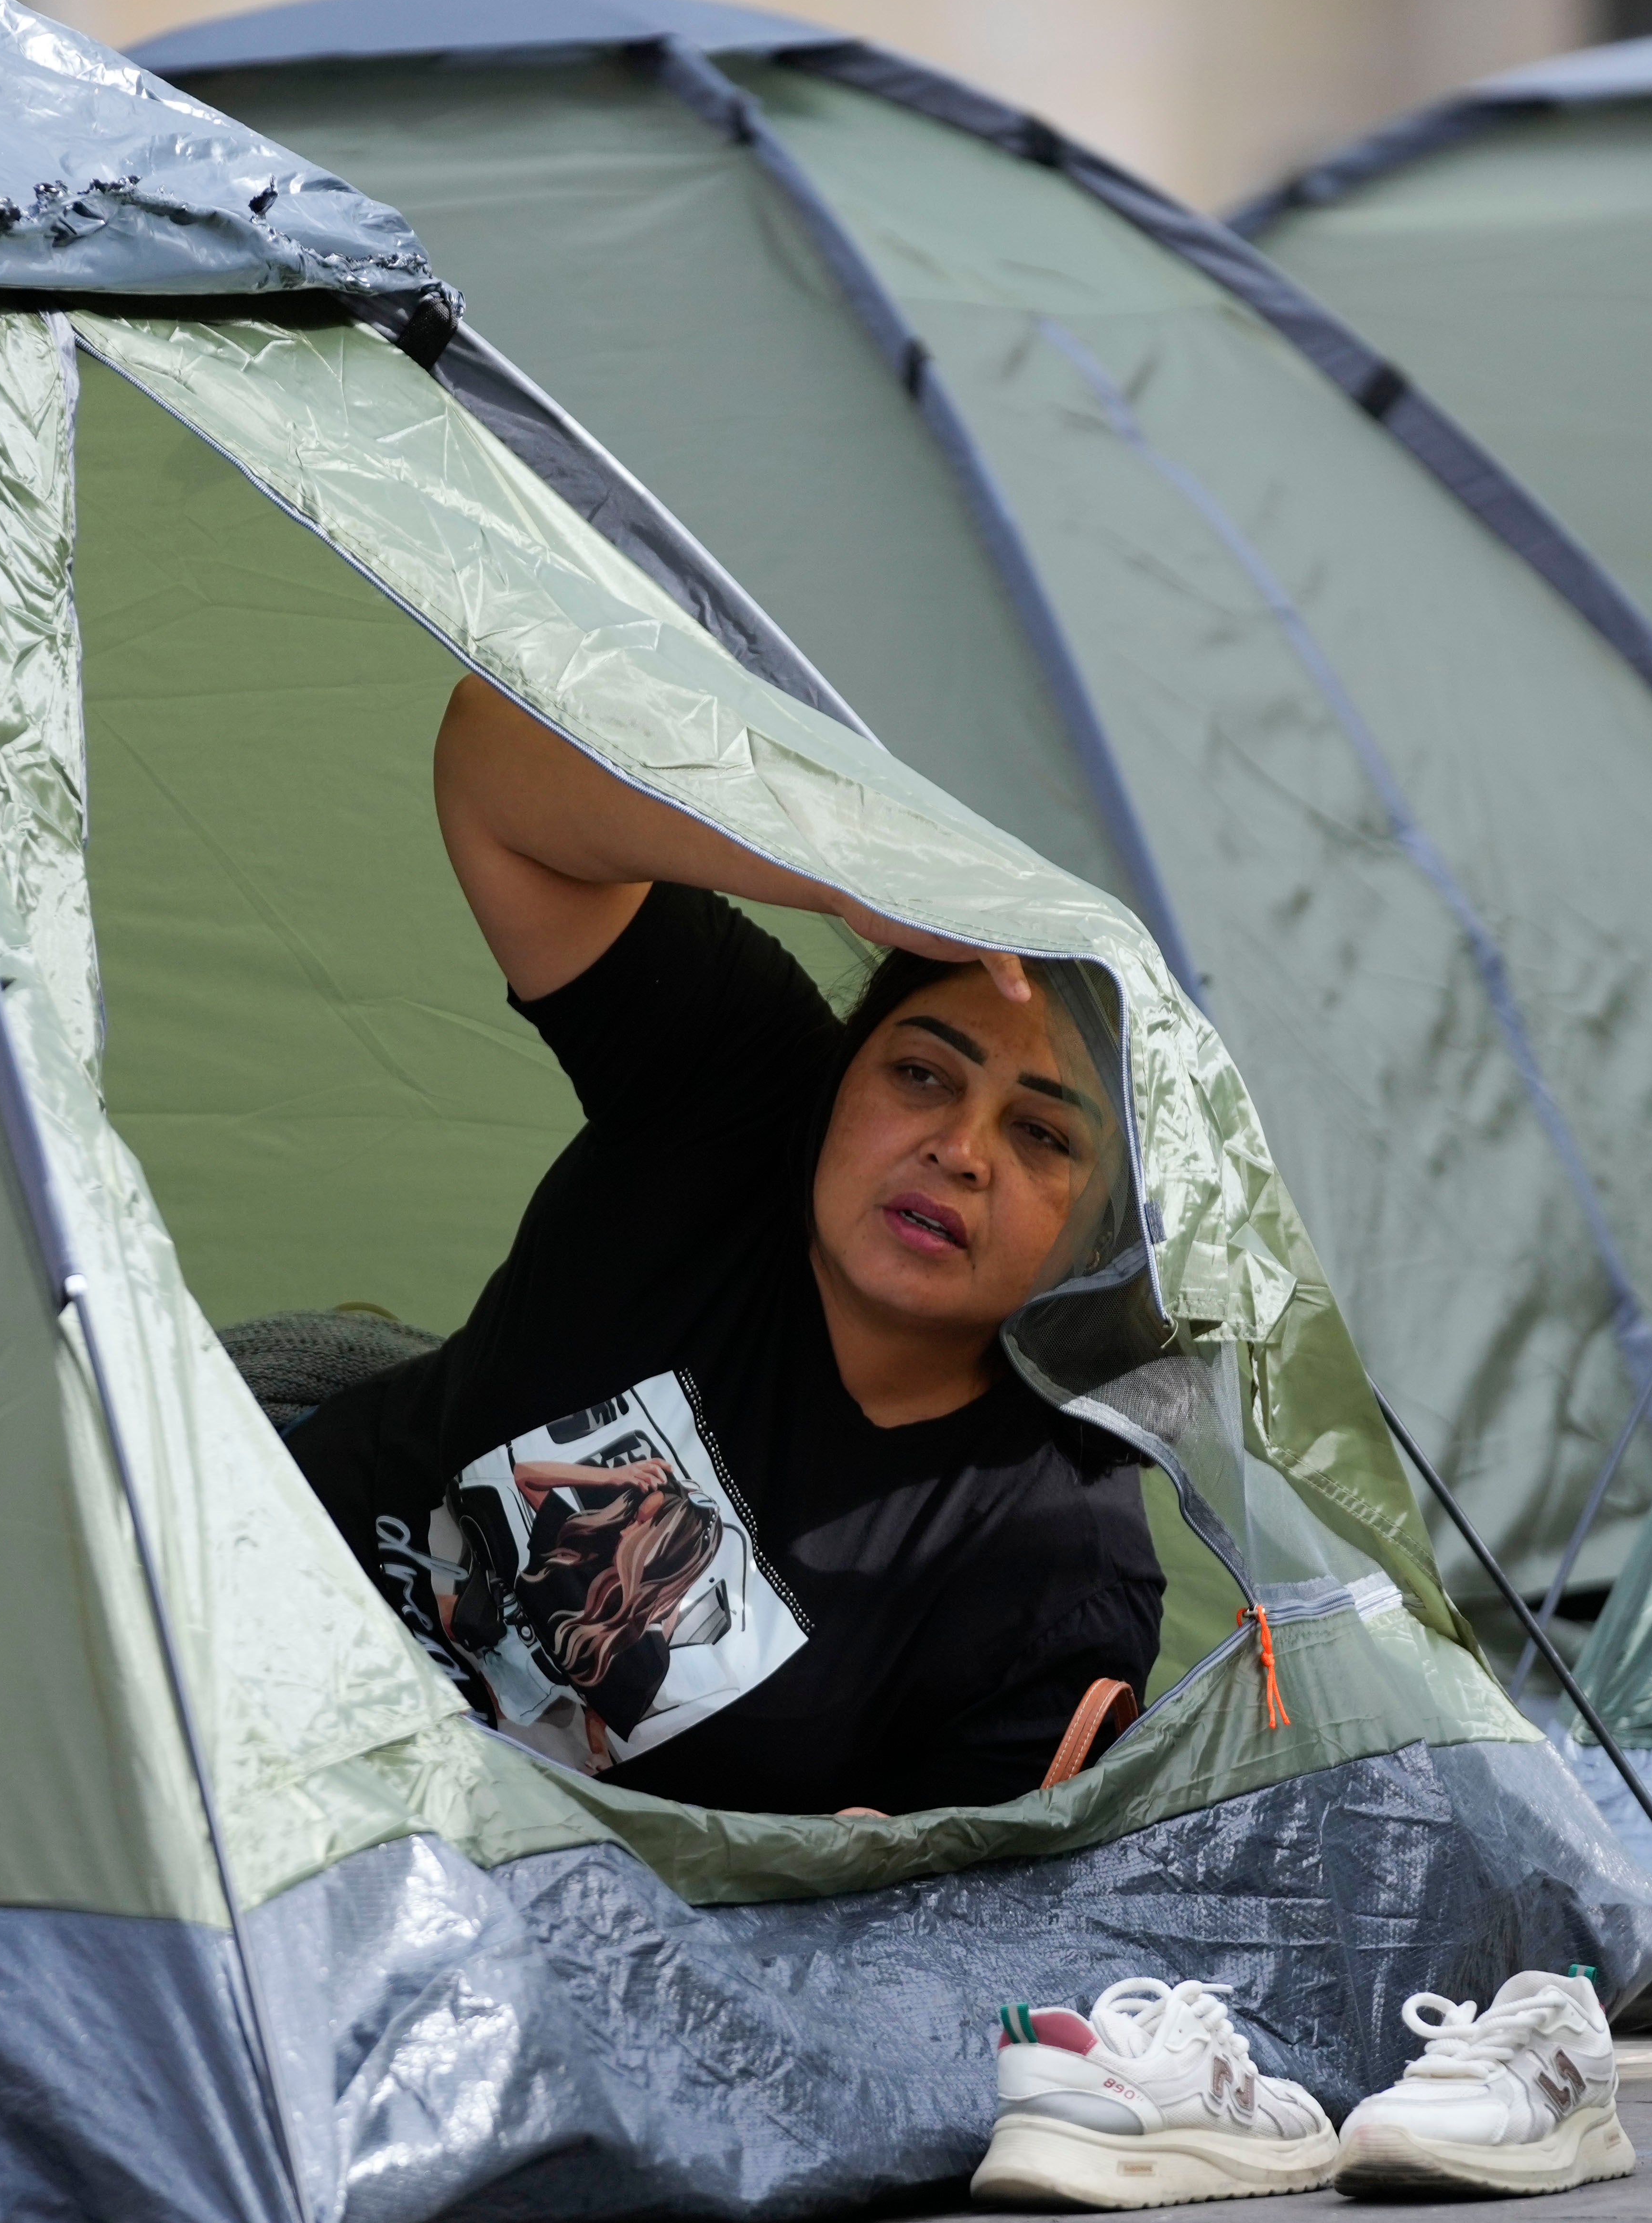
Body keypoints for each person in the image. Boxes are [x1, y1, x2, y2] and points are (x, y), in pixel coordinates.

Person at [286, 672, 1164, 1815]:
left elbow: (922, 1942)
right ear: (848, 1072)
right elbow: (495, 751)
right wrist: (848, 863)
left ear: (1110, 1234)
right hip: (255, 1606)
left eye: (1043, 1133)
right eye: (920, 1072)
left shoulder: (1060, 1574)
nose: (960, 1146)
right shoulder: (741, 1091)